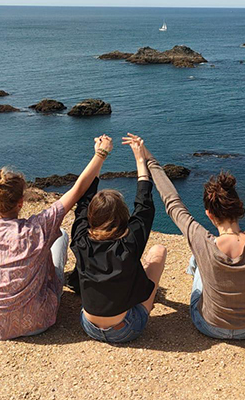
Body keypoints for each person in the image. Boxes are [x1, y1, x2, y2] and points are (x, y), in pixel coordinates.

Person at [0, 129, 113, 340]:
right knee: (60, 236)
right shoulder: (37, 228)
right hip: (40, 320)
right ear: (20, 203)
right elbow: (77, 190)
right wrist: (100, 154)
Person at [144, 116, 245, 340]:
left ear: (209, 214)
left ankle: (195, 269)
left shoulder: (202, 241)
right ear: (239, 207)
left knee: (199, 263)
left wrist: (149, 160)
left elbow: (172, 203)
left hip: (209, 326)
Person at [69, 133, 167, 343]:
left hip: (89, 326)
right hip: (125, 328)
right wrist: (140, 159)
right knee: (158, 252)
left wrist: (100, 154)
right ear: (123, 216)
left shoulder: (80, 239)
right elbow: (144, 204)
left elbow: (84, 200)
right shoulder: (129, 243)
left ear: (91, 216)